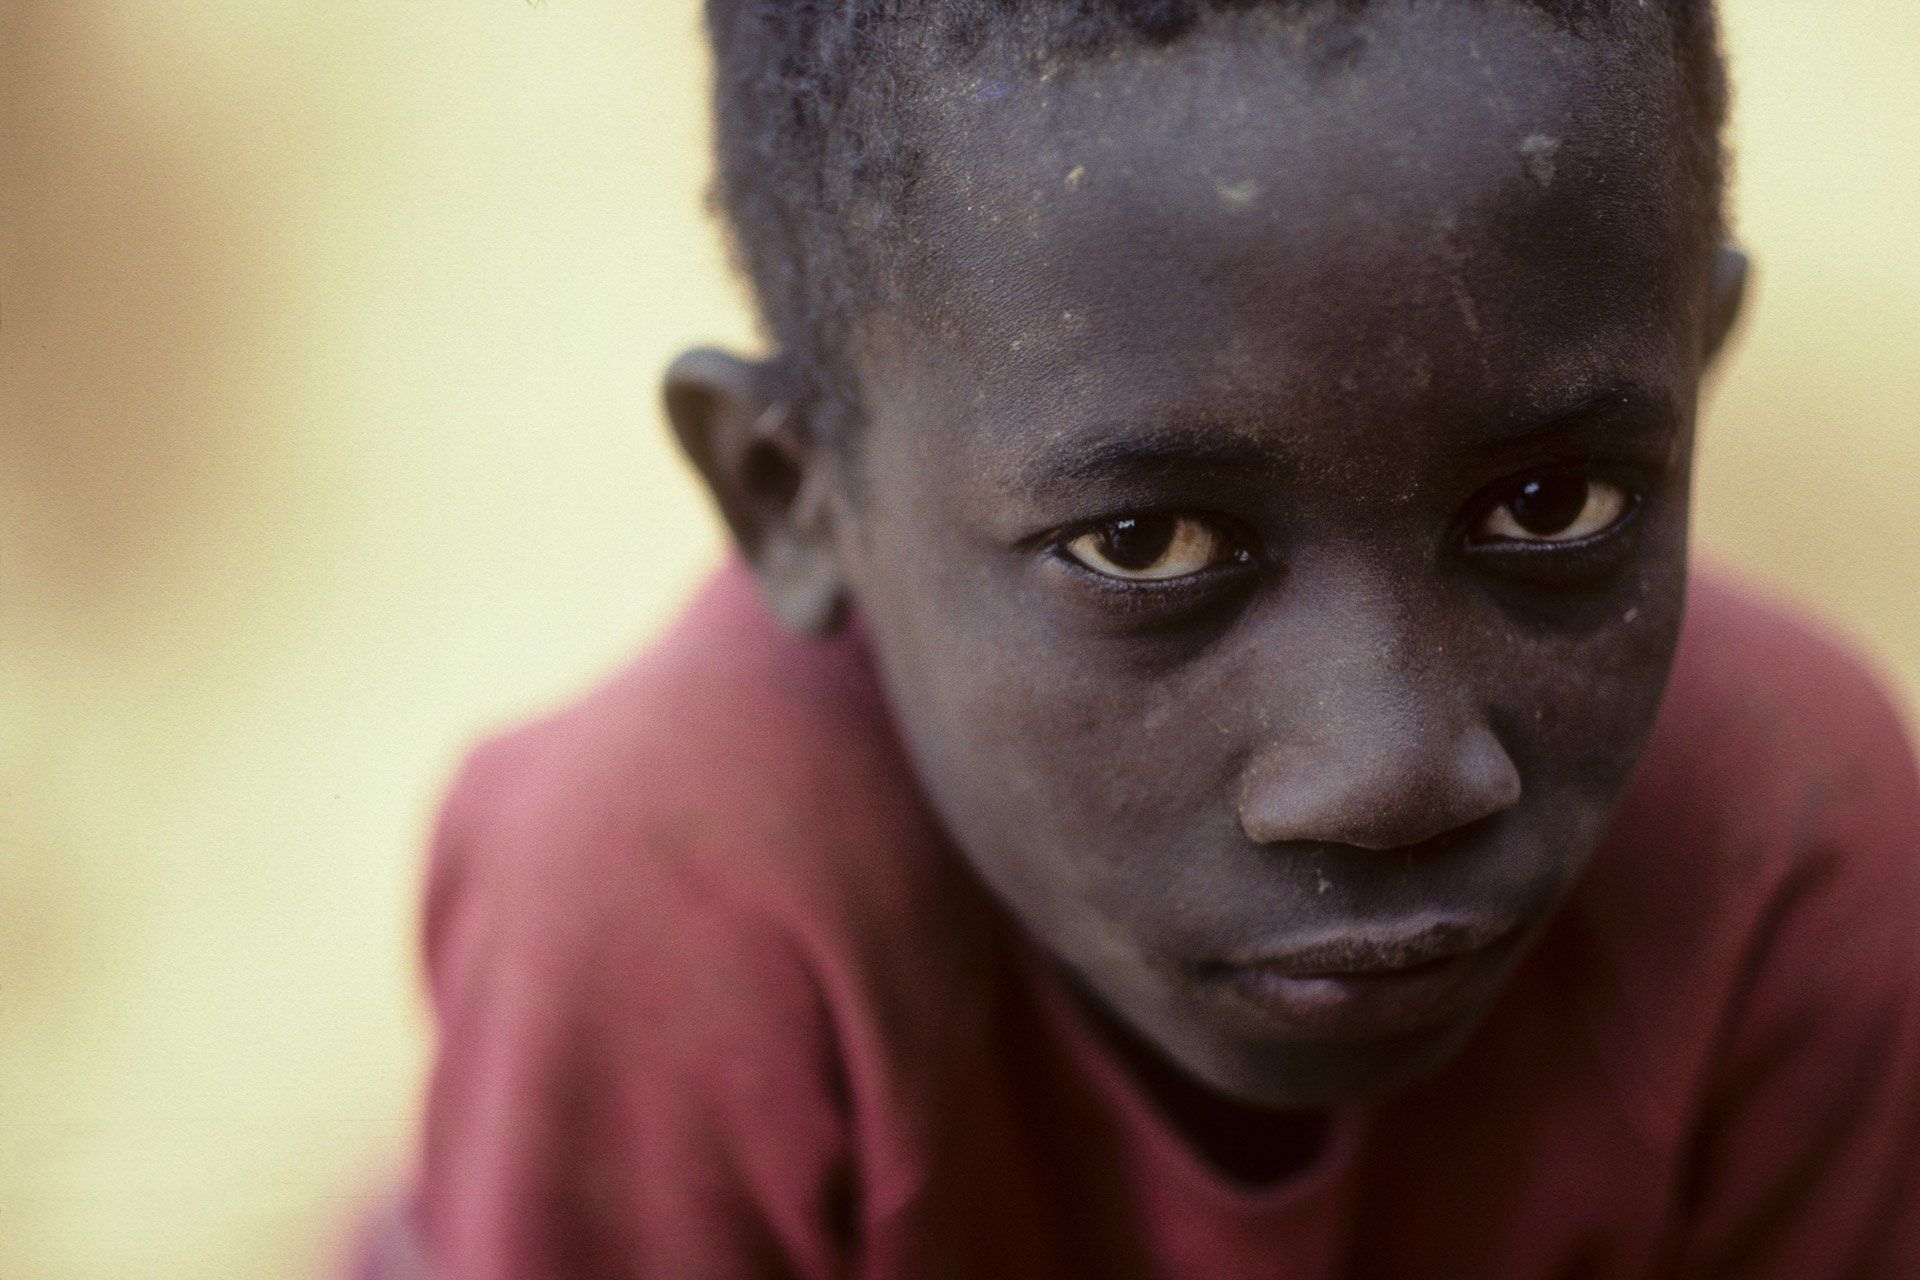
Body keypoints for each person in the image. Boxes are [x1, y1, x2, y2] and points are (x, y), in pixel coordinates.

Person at [393, 2, 1920, 1276]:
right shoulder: (667, 900)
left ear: (1694, 368)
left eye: (1551, 505)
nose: (1392, 772)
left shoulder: (1794, 835)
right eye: (1146, 545)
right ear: (791, 498)